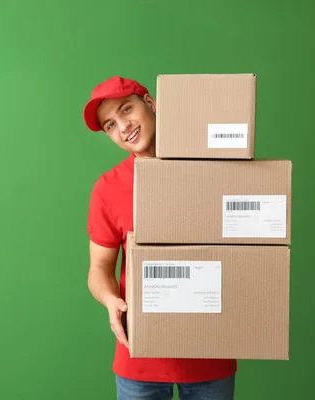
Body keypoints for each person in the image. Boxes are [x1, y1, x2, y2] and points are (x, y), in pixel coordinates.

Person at [83, 76, 237, 400]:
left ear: (150, 103)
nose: (123, 127)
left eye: (127, 110)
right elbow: (99, 268)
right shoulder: (108, 188)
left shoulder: (210, 167)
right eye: (110, 125)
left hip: (209, 353)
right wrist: (110, 300)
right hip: (138, 358)